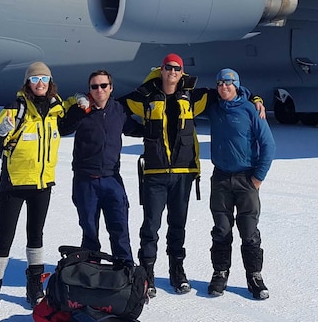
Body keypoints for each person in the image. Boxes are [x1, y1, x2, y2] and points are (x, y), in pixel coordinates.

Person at [0, 62, 78, 320]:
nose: (40, 83)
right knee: (4, 237)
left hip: (42, 184)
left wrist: (81, 103)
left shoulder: (56, 108)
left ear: (50, 81)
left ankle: (34, 286)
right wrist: (2, 131)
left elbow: (68, 124)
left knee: (36, 236)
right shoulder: (16, 107)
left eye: (44, 78)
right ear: (28, 83)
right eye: (35, 79)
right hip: (14, 183)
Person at [120, 53, 203, 297]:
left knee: (177, 225)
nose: (172, 72)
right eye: (168, 68)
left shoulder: (192, 95)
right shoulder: (146, 96)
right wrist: (142, 131)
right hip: (155, 173)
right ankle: (147, 275)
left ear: (182, 72)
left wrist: (257, 98)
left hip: (183, 172)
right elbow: (118, 108)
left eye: (177, 68)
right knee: (151, 226)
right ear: (162, 70)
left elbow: (227, 93)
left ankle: (177, 271)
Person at [204, 68, 276, 300]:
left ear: (236, 85)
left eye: (228, 83)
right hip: (221, 177)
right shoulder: (214, 109)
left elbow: (268, 145)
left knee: (249, 231)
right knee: (221, 229)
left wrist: (257, 178)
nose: (223, 87)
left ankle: (254, 276)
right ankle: (220, 273)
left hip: (246, 178)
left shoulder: (250, 110)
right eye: (220, 83)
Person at [60, 69, 134, 263]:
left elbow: (133, 128)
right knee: (90, 231)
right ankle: (91, 272)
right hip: (86, 181)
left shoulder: (118, 110)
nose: (99, 89)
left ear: (111, 88)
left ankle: (125, 272)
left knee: (120, 229)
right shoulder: (82, 111)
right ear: (89, 90)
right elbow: (62, 129)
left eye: (103, 85)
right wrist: (77, 111)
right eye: (95, 86)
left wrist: (156, 131)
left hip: (111, 179)